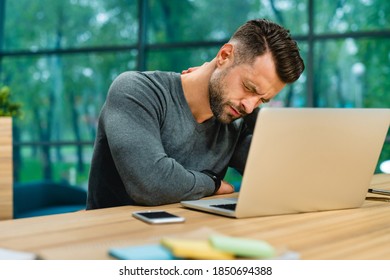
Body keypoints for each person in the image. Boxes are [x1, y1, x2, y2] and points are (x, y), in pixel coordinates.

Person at [86, 18, 304, 210]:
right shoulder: (137, 91)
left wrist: (256, 118)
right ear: (225, 55)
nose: (250, 106)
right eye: (249, 87)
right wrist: (213, 184)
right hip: (116, 236)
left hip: (188, 237)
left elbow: (279, 177)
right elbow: (151, 185)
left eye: (262, 100)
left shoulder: (235, 117)